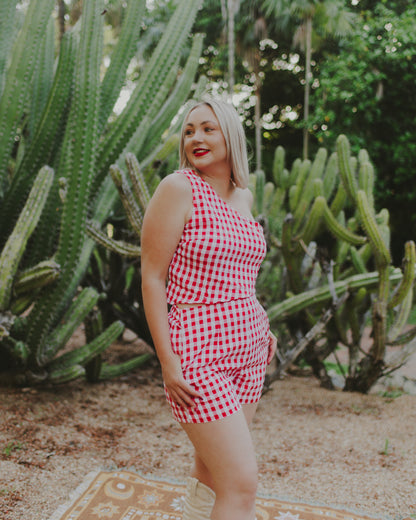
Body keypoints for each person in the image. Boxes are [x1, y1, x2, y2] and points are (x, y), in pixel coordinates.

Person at [141, 98, 277, 520]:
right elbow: (152, 278)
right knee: (241, 482)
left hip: (250, 347)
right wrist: (168, 361)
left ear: (230, 134)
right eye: (188, 130)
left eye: (207, 128)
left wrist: (263, 328)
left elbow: (241, 273)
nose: (195, 138)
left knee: (214, 471)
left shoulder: (244, 197)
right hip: (198, 351)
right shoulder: (179, 188)